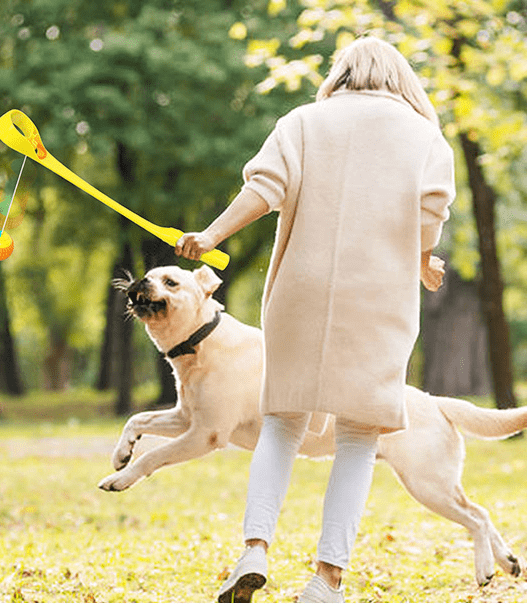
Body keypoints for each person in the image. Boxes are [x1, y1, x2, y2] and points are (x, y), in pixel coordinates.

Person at [174, 36, 455, 603]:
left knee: (281, 423)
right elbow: (431, 211)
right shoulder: (424, 135)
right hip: (378, 298)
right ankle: (326, 579)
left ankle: (254, 549)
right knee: (357, 436)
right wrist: (422, 260)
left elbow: (263, 190)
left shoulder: (303, 121)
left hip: (300, 294)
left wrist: (210, 235)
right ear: (400, 77)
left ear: (342, 73)